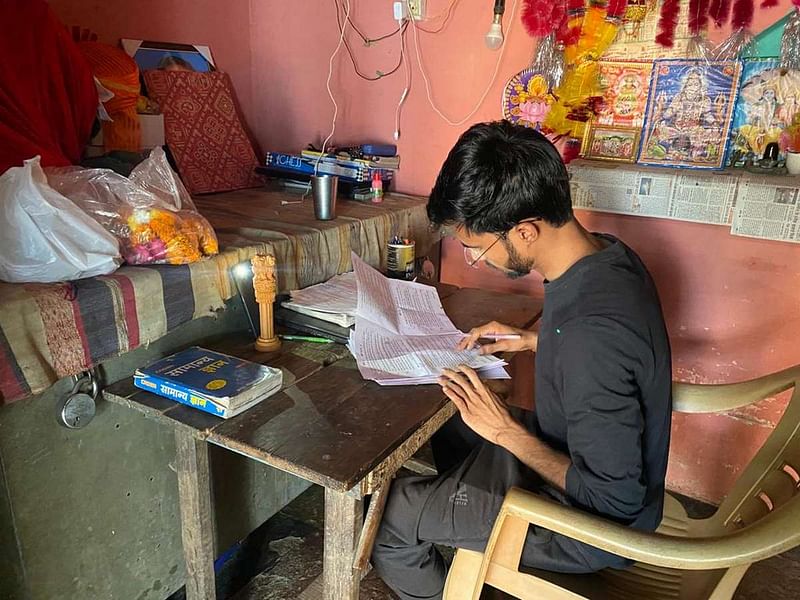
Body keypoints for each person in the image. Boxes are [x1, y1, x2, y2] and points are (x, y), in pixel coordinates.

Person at [371, 121, 672, 600]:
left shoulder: (591, 338)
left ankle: (444, 536)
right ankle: (466, 526)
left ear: (526, 231)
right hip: (568, 449)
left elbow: (614, 501)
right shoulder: (607, 259)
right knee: (451, 414)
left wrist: (506, 433)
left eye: (476, 250)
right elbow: (602, 350)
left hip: (593, 527)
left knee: (390, 516)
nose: (478, 262)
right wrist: (534, 341)